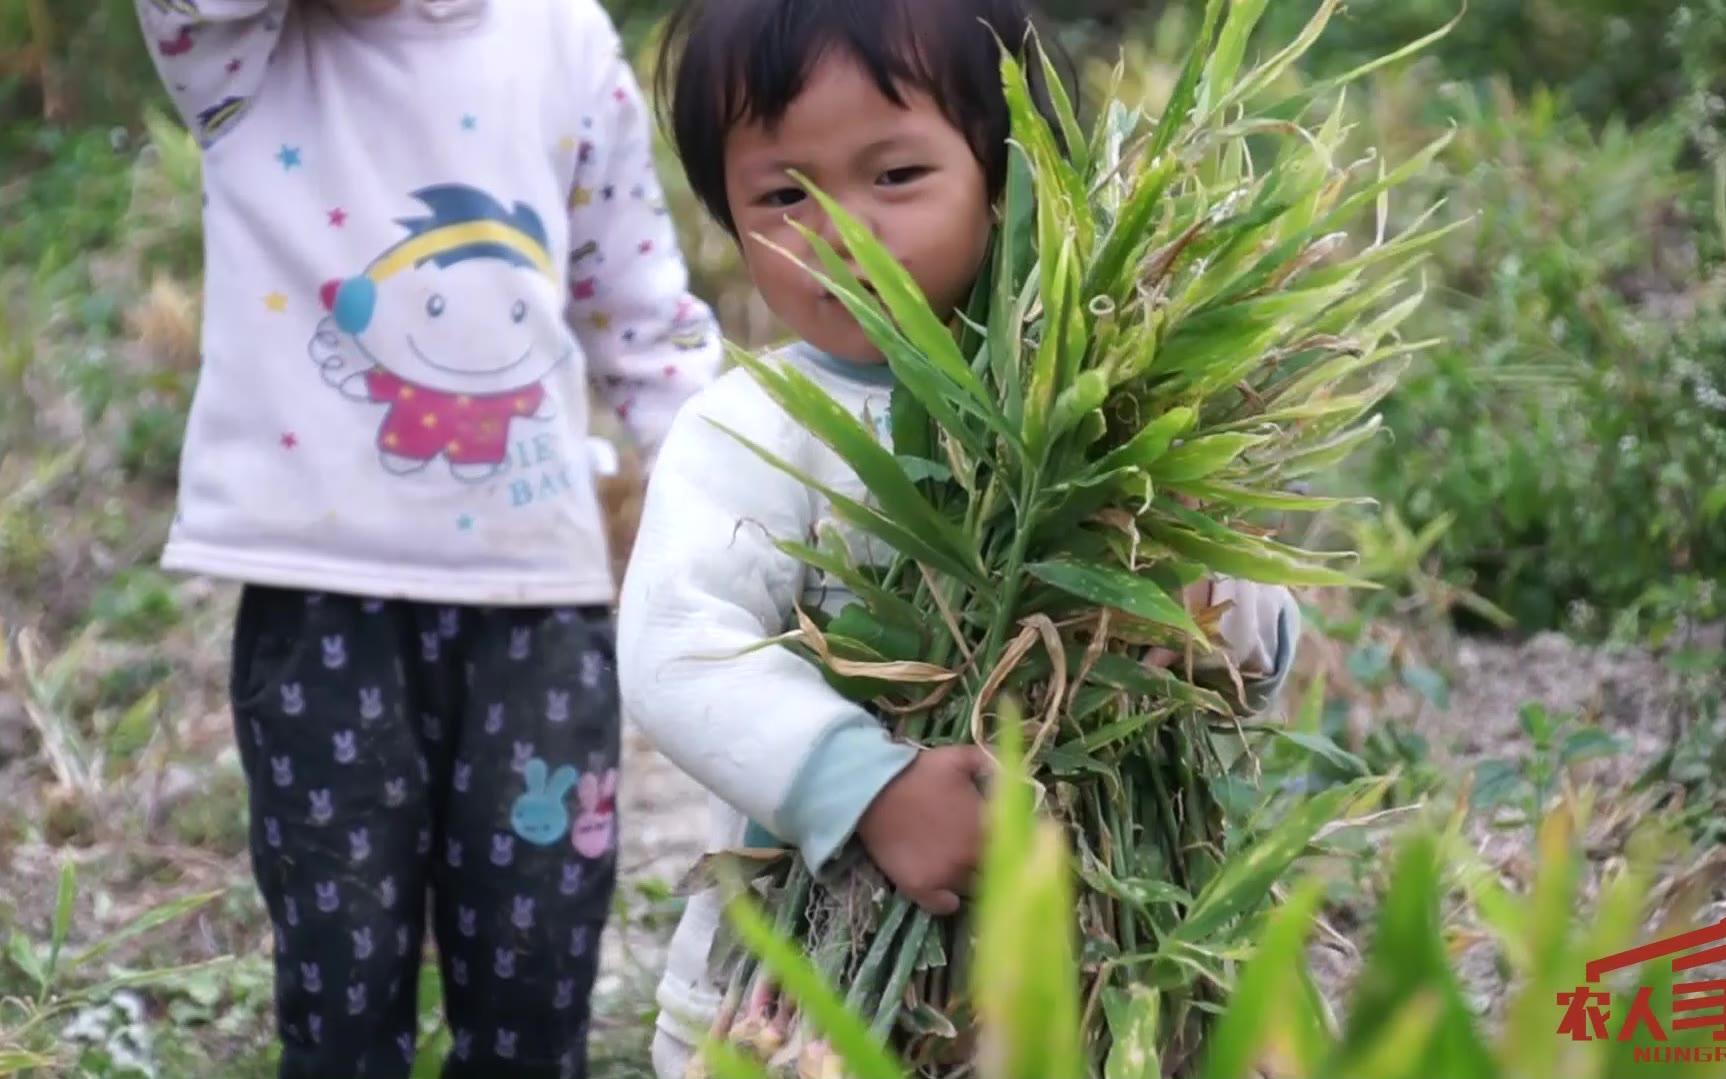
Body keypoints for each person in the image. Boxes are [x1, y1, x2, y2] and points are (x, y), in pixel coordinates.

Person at [615, 1, 1302, 1075]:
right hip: (829, 979)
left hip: (1104, 955)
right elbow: (675, 645)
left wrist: (1209, 616)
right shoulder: (753, 430)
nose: (841, 229)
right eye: (784, 195)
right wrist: (866, 785)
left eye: (895, 177)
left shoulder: (1102, 403)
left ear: (1011, 175)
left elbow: (1242, 633)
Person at [131, 0, 722, 1075]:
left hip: (535, 601)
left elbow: (641, 313)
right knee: (340, 987)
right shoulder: (240, 46)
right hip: (320, 602)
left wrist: (737, 496)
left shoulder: (565, 38)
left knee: (537, 970)